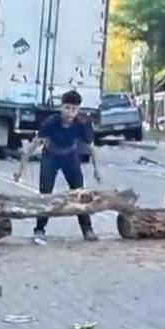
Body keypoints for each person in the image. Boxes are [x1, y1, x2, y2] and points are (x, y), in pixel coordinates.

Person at [14, 89, 102, 245]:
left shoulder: (81, 124)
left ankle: (87, 229)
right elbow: (33, 146)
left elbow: (91, 147)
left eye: (74, 109)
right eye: (67, 108)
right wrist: (20, 170)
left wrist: (96, 170)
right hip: (51, 157)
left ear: (78, 110)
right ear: (61, 107)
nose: (70, 113)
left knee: (80, 193)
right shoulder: (51, 123)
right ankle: (39, 230)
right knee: (46, 194)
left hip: (70, 157)